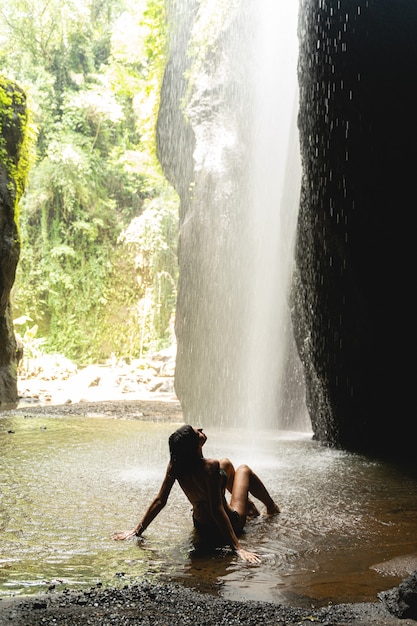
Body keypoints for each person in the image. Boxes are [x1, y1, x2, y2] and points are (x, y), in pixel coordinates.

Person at [112, 425, 280, 563]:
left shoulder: (176, 465)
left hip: (201, 525)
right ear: (195, 446)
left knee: (226, 464)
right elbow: (216, 510)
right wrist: (238, 548)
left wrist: (136, 531)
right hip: (231, 522)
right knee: (244, 469)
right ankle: (270, 507)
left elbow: (160, 501)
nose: (200, 429)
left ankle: (249, 505)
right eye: (197, 432)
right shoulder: (210, 467)